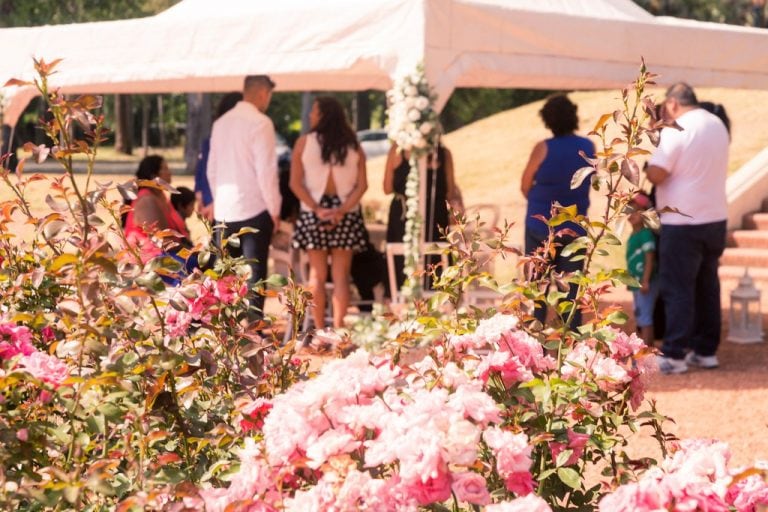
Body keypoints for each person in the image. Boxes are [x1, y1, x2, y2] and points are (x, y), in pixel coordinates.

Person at [645, 82, 730, 374]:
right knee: (708, 285)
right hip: (715, 216)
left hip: (682, 221)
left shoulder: (676, 128)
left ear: (671, 104)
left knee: (677, 288)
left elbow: (657, 173)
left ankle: (675, 354)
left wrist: (645, 164)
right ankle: (706, 351)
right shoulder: (716, 122)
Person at [289, 96, 368, 329]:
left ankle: (320, 330)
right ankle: (339, 330)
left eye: (313, 111)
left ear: (322, 115)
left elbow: (295, 183)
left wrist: (317, 209)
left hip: (314, 212)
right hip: (346, 212)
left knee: (317, 275)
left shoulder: (304, 143)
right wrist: (341, 210)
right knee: (342, 276)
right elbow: (362, 185)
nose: (310, 115)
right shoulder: (354, 146)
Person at [207, 75, 281, 319]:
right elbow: (266, 172)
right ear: (262, 94)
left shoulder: (221, 123)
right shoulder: (261, 123)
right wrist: (275, 209)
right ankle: (253, 334)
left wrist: (219, 201)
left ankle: (227, 331)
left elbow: (212, 169)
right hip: (254, 209)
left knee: (225, 277)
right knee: (254, 276)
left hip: (224, 212)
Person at [520, 94, 594, 327]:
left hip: (541, 227)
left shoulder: (542, 148)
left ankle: (535, 351)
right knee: (571, 295)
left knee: (536, 291)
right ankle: (571, 350)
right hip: (575, 228)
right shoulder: (588, 146)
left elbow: (524, 185)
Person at [384, 136, 459, 290]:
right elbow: (450, 191)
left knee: (403, 260)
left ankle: (402, 297)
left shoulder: (397, 151)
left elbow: (387, 187)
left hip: (404, 215)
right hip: (433, 214)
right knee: (436, 258)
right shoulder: (444, 154)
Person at [123, 155, 191, 266]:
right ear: (154, 176)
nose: (169, 172)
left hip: (168, 253)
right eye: (165, 168)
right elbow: (163, 241)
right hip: (152, 260)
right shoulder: (147, 200)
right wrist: (192, 252)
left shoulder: (161, 196)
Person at [194, 92, 243, 221]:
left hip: (223, 205)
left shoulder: (211, 141)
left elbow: (201, 175)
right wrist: (209, 201)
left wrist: (204, 198)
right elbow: (204, 173)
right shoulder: (212, 142)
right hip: (224, 206)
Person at [625, 191, 659, 346]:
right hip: (636, 282)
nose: (631, 215)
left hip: (645, 282)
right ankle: (644, 347)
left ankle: (647, 349)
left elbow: (649, 258)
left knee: (645, 317)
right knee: (640, 315)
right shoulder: (634, 235)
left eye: (635, 211)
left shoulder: (645, 234)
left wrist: (645, 280)